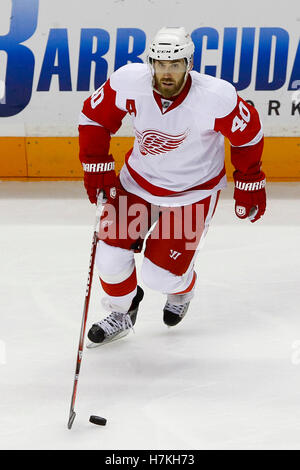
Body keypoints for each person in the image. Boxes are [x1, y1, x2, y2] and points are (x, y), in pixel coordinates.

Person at [78, 27, 266, 346]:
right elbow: (94, 117)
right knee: (108, 257)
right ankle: (121, 312)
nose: (167, 72)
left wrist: (249, 180)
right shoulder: (128, 82)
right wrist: (96, 165)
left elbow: (249, 134)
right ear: (150, 62)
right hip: (137, 184)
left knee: (160, 276)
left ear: (188, 63)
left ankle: (182, 288)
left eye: (175, 64)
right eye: (161, 64)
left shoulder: (215, 96)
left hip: (192, 194)